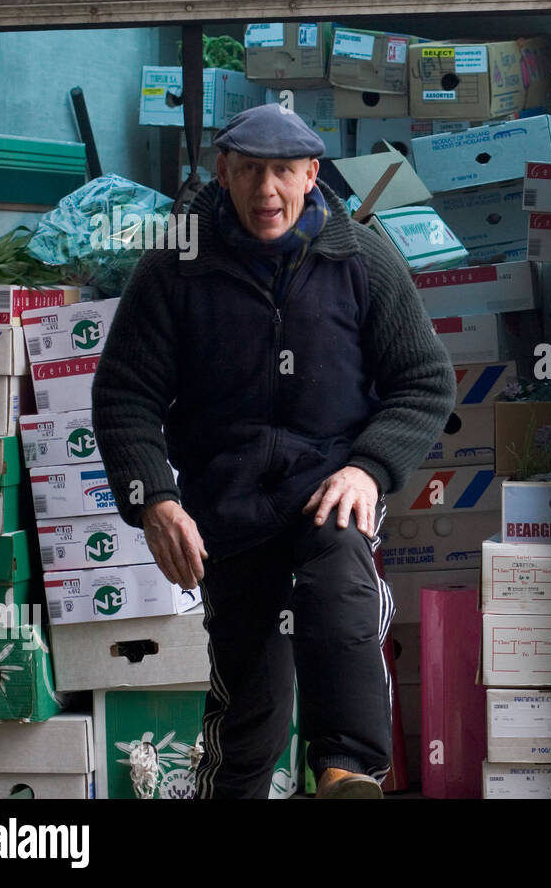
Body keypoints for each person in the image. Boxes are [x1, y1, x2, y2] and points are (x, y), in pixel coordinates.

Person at [92, 103, 456, 799]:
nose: (267, 191)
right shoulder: (176, 263)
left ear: (312, 174)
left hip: (329, 485)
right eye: (251, 171)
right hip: (228, 501)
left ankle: (346, 774)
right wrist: (155, 502)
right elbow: (124, 396)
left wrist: (368, 468)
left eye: (284, 172)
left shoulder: (360, 257)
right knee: (250, 694)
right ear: (222, 172)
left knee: (341, 598)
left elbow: (424, 379)